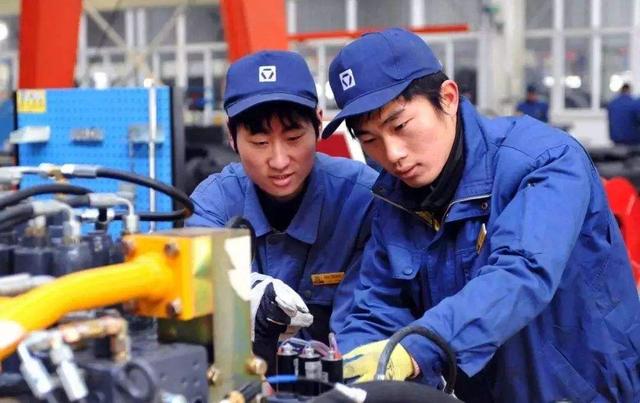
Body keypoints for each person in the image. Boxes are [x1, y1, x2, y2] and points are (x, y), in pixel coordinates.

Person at [322, 28, 640, 402]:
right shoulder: (394, 201)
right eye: (369, 140)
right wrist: (355, 380)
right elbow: (377, 306)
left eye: (400, 126)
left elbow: (520, 272)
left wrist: (415, 350)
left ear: (448, 97)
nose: (393, 155)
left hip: (584, 391)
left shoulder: (545, 161)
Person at [186, 50, 377, 371]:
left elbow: (366, 319)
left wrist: (339, 377)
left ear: (319, 123)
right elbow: (192, 289)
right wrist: (241, 295)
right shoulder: (214, 203)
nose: (279, 161)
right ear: (231, 136)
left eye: (293, 137)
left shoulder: (360, 200)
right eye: (260, 142)